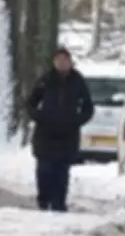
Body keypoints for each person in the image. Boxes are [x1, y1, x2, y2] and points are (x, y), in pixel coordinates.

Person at [26, 45, 94, 212]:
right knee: (44, 169)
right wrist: (39, 116)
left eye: (65, 61)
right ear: (54, 62)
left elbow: (88, 107)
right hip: (45, 134)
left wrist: (76, 120)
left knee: (61, 171)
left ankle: (59, 203)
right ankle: (43, 200)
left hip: (67, 135)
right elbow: (30, 103)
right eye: (58, 61)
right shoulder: (45, 80)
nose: (62, 64)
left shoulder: (78, 81)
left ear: (70, 62)